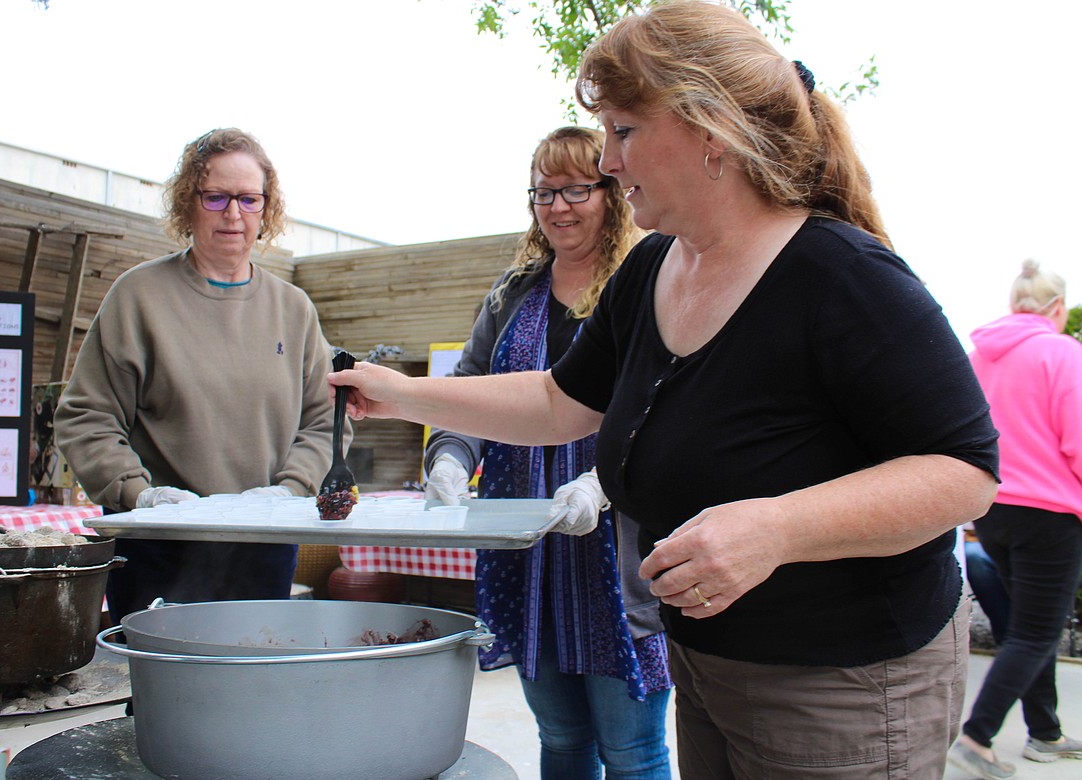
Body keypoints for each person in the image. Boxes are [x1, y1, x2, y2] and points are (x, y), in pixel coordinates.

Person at [328, 3, 1000, 778]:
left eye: (623, 131)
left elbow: (964, 471)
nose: (609, 163)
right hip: (705, 662)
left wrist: (777, 529)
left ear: (709, 131)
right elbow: (558, 402)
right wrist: (401, 395)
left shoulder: (843, 278)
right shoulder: (650, 271)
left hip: (845, 681)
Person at [423, 126, 672, 780]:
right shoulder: (512, 295)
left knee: (632, 751)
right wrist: (448, 456)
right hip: (530, 565)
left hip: (619, 557)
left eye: (574, 190)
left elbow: (668, 403)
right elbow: (469, 394)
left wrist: (601, 479)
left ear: (611, 192)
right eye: (543, 193)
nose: (558, 207)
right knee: (561, 738)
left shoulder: (648, 284)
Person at [55, 128, 340, 624]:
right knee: (161, 691)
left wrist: (290, 491)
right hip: (158, 545)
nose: (234, 214)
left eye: (249, 199)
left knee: (249, 681)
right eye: (217, 197)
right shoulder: (138, 297)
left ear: (265, 209)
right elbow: (87, 416)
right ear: (189, 203)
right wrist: (137, 493)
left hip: (262, 541)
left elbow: (324, 423)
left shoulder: (293, 310)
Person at [949, 259, 1082, 778]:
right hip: (1049, 515)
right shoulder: (1062, 352)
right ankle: (977, 739)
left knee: (1029, 627)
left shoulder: (978, 357)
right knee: (1036, 632)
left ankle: (1045, 732)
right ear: (1057, 307)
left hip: (993, 510)